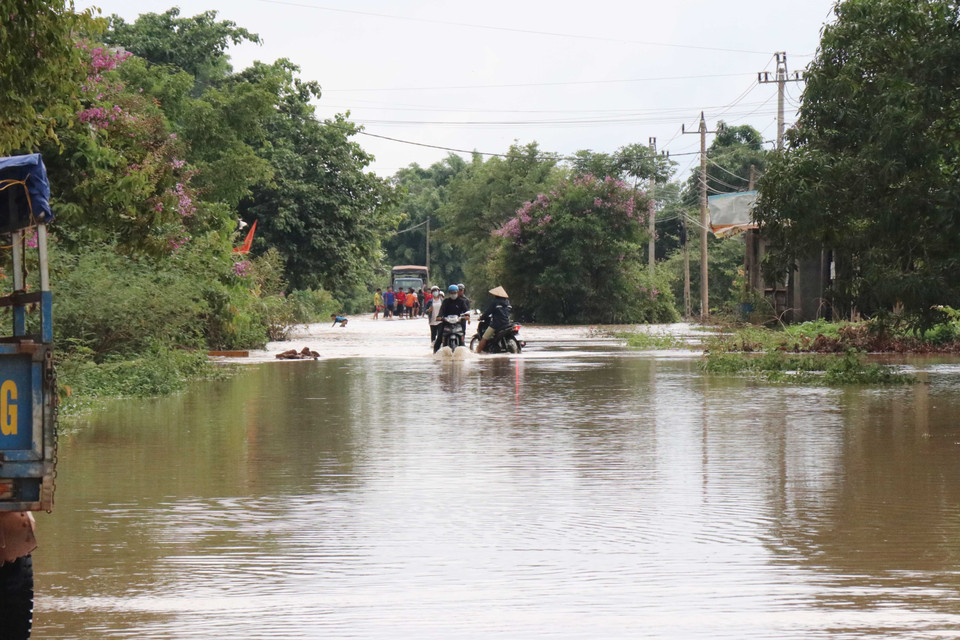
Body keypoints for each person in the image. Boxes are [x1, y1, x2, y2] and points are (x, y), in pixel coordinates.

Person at [433, 284, 470, 352]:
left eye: (455, 292)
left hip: (458, 323)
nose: (453, 294)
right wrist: (439, 317)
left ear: (457, 292)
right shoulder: (446, 301)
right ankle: (435, 355)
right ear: (449, 293)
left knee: (462, 338)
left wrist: (467, 316)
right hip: (446, 323)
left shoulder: (461, 301)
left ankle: (464, 354)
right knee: (439, 339)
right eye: (451, 293)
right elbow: (442, 310)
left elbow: (466, 310)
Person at [475, 286, 512, 353]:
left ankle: (477, 353)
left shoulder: (495, 302)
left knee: (484, 338)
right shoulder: (507, 302)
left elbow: (488, 312)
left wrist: (481, 318)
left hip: (496, 324)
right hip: (507, 323)